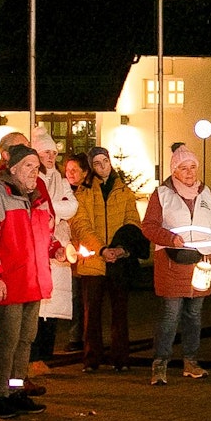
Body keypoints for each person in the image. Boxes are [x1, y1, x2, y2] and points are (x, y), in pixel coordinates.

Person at [0, 144, 56, 419]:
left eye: (36, 166)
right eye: (28, 166)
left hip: (32, 281)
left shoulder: (37, 197)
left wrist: (57, 250)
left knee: (25, 340)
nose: (34, 171)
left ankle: (16, 390)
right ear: (14, 168)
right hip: (8, 282)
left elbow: (46, 237)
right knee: (7, 339)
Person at [142, 145, 211, 384]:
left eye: (193, 167)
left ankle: (190, 360)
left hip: (202, 265)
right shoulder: (162, 194)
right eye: (183, 168)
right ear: (174, 172)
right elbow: (148, 226)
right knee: (170, 315)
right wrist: (170, 238)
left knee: (195, 315)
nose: (189, 173)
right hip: (172, 263)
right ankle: (160, 363)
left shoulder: (206, 193)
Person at [69, 147, 144, 374]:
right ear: (92, 166)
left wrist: (121, 249)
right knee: (91, 315)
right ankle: (92, 360)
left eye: (105, 161)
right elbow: (81, 225)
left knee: (120, 313)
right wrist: (101, 249)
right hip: (93, 261)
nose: (103, 166)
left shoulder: (124, 191)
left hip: (118, 261)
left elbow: (132, 220)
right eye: (98, 163)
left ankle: (120, 359)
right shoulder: (83, 193)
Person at [25, 127, 78, 385]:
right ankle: (31, 357)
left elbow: (72, 206)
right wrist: (55, 207)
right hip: (40, 245)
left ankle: (44, 355)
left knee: (54, 305)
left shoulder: (58, 178)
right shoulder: (34, 179)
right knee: (38, 305)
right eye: (46, 151)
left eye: (53, 152)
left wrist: (52, 208)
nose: (50, 156)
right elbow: (41, 207)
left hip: (59, 245)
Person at [62, 153, 90, 355]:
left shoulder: (86, 194)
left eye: (75, 170)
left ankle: (79, 336)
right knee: (71, 296)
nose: (70, 174)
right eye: (67, 170)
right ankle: (74, 335)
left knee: (81, 297)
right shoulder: (62, 190)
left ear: (85, 172)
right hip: (66, 250)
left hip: (83, 250)